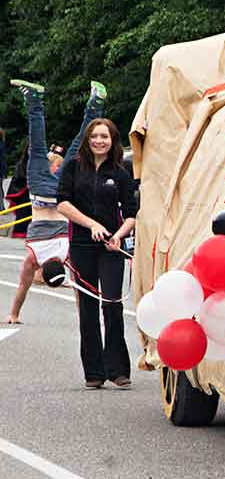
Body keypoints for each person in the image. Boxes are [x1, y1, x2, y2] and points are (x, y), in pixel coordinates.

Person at [4, 80, 106, 324]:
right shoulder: (33, 257)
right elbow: (22, 289)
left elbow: (80, 290)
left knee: (78, 148)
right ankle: (34, 98)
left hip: (63, 195)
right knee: (37, 147)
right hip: (41, 195)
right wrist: (13, 313)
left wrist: (88, 316)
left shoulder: (67, 254)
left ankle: (96, 106)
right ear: (42, 270)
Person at [57, 117, 137, 389]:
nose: (99, 141)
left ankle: (118, 370)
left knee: (112, 304)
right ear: (87, 140)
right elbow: (63, 204)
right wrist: (91, 224)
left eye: (105, 137)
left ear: (112, 140)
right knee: (87, 308)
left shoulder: (121, 172)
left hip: (110, 248)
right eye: (95, 136)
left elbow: (131, 215)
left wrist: (117, 236)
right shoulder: (72, 168)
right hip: (82, 245)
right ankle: (93, 371)